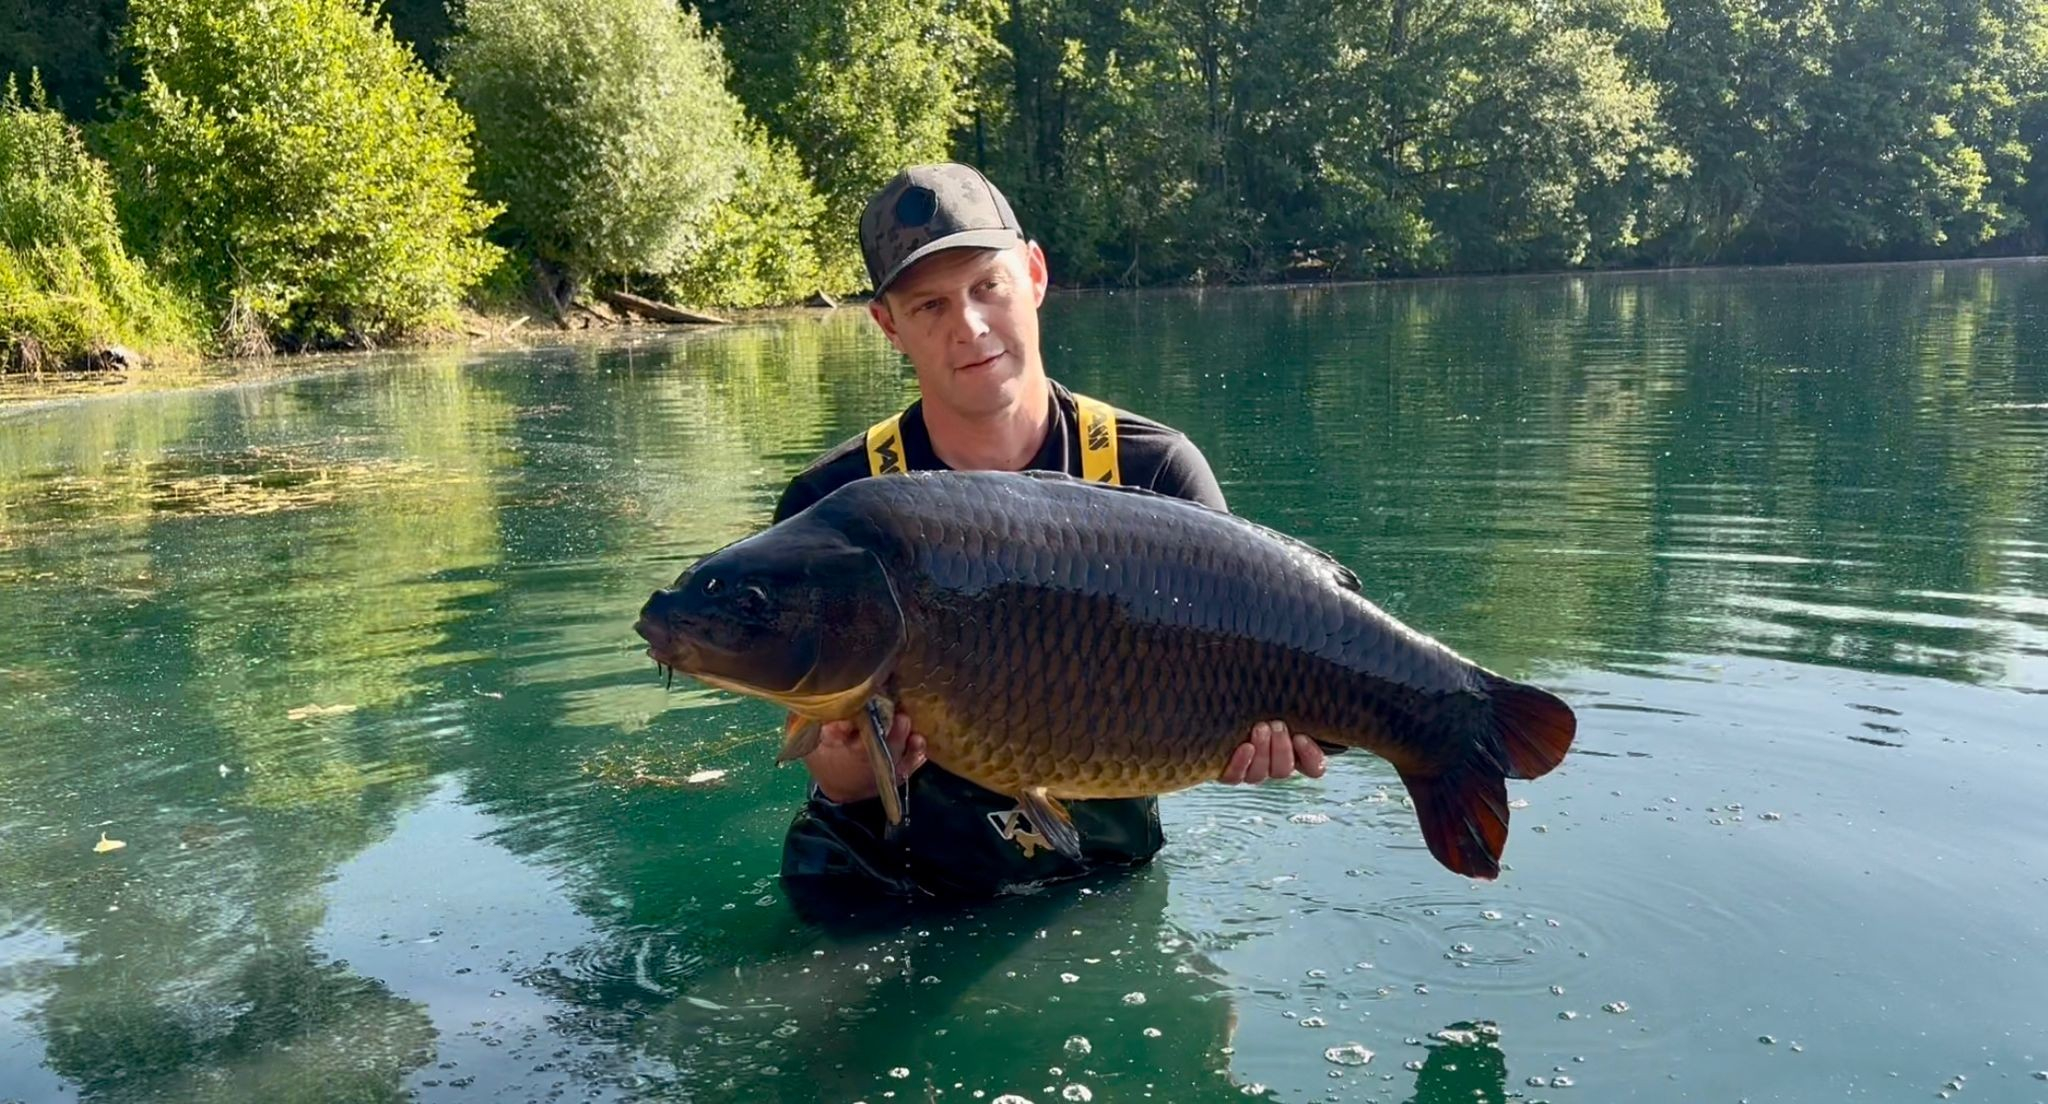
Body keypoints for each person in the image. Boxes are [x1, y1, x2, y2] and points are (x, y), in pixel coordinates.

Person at [775, 162, 1327, 905]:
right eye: (930, 305)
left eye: (987, 286)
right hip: (888, 882)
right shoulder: (835, 506)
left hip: (1099, 880)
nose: (969, 327)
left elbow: (1245, 671)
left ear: (1034, 274)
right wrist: (856, 769)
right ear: (888, 325)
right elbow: (830, 769)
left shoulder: (1153, 470)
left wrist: (1252, 743)